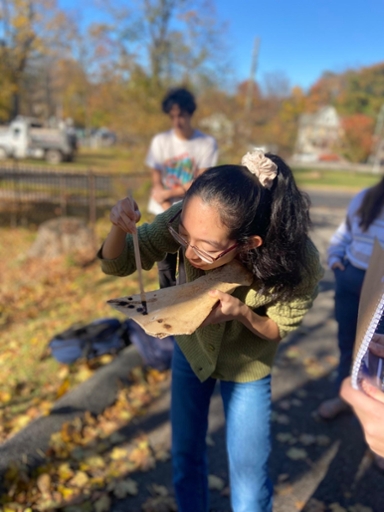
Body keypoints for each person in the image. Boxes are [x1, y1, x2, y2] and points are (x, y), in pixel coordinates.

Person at [98, 149, 323, 512]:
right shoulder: (185, 222)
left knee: (249, 482)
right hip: (191, 353)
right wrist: (116, 225)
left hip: (249, 366)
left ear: (250, 243)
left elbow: (278, 329)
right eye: (185, 236)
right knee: (185, 456)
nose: (189, 252)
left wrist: (242, 314)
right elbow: (121, 261)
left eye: (206, 249)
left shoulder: (299, 261)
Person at [318, 176, 384, 420]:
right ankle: (343, 396)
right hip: (352, 279)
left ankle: (375, 426)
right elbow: (343, 236)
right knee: (348, 347)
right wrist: (336, 260)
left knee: (377, 356)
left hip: (382, 293)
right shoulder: (366, 198)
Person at [145, 87, 218, 289]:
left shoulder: (205, 143)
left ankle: (186, 307)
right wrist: (162, 198)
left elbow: (199, 180)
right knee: (165, 267)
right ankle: (167, 308)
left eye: (182, 115)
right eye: (173, 116)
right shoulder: (160, 141)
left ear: (190, 113)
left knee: (188, 265)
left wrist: (168, 193)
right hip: (162, 210)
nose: (177, 121)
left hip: (191, 212)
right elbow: (156, 173)